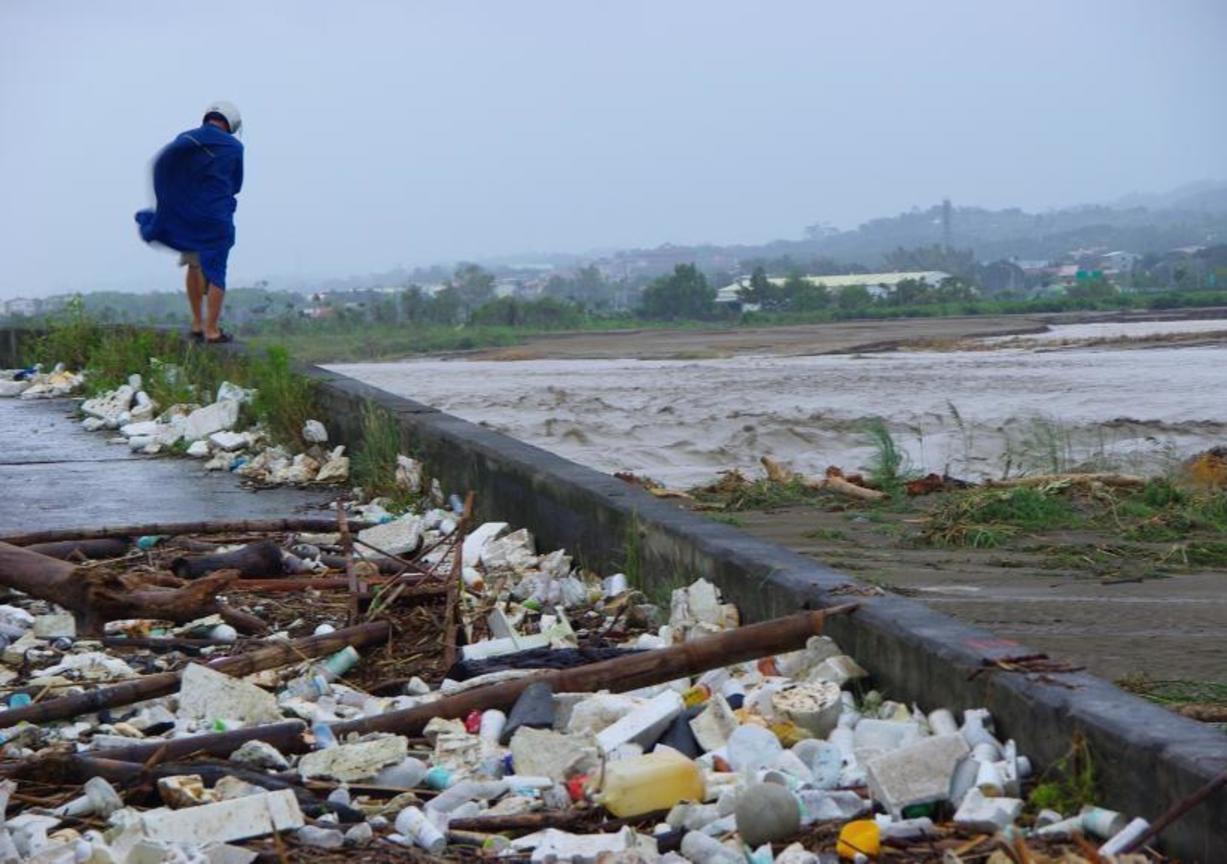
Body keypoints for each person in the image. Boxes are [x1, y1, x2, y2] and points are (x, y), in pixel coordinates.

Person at [136, 101, 244, 343]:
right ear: (229, 123)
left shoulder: (185, 139)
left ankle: (197, 324)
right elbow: (235, 184)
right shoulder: (234, 147)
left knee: (194, 264)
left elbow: (173, 169)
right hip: (215, 218)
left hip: (188, 215)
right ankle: (212, 330)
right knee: (216, 271)